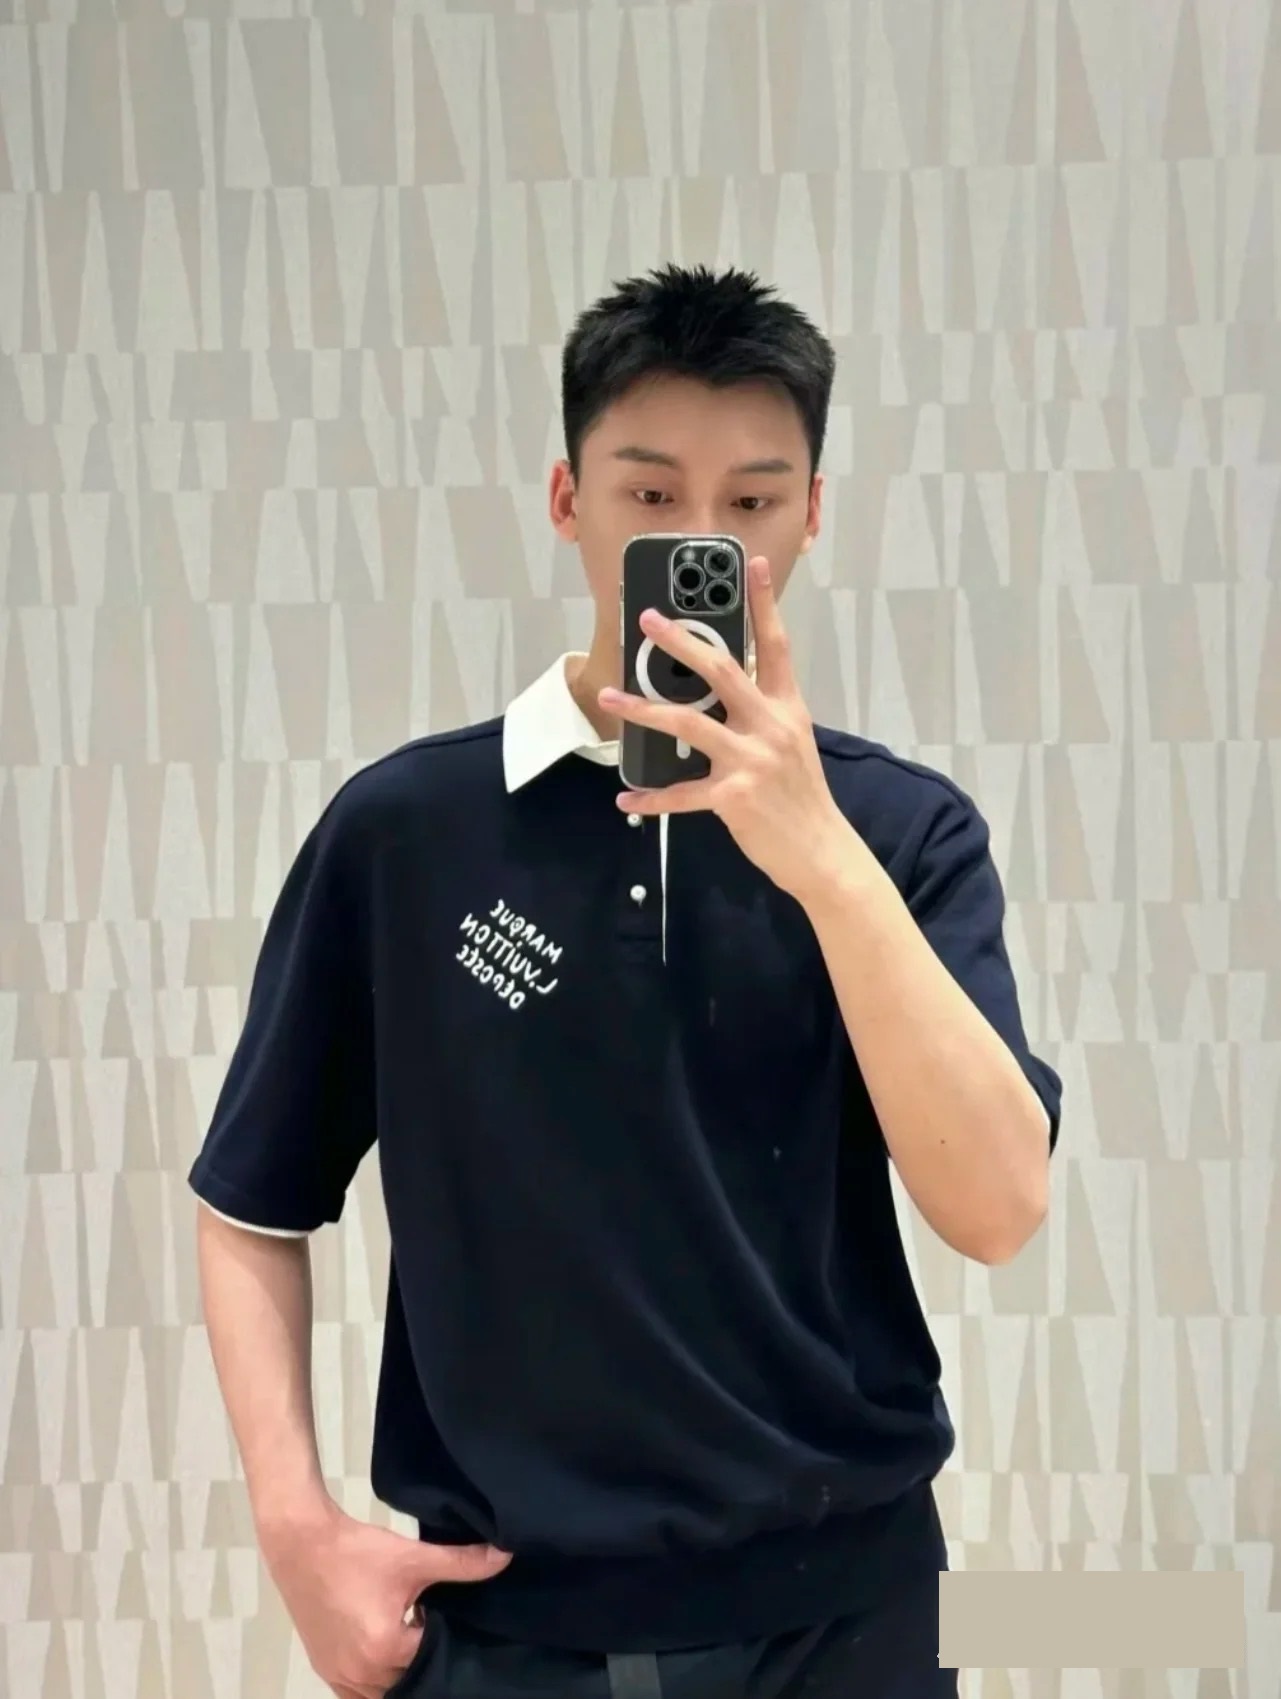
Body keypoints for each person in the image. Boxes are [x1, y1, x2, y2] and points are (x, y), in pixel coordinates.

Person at [190, 264, 1062, 1699]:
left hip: (849, 1619)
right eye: (650, 495)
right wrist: (297, 1536)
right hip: (504, 1629)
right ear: (567, 499)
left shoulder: (902, 834)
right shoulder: (407, 831)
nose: (700, 541)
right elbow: (248, 1205)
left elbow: (999, 1208)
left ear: (812, 516)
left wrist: (822, 863)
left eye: (752, 502)